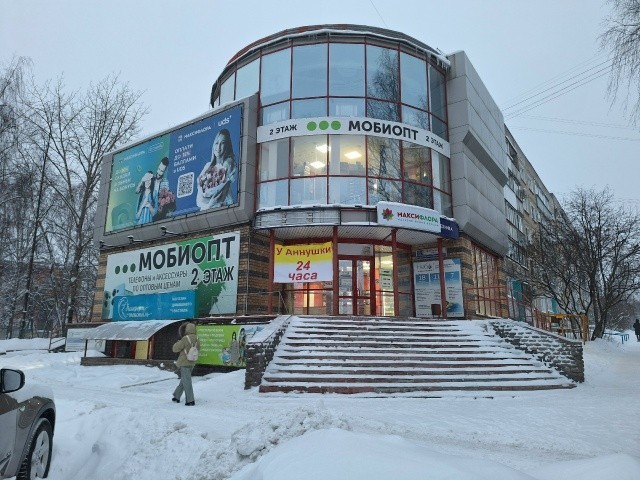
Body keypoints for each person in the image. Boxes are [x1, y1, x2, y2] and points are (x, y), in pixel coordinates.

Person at [196, 128, 238, 210]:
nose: (218, 147)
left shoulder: (228, 163)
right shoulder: (207, 166)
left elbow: (220, 198)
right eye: (217, 143)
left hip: (222, 209)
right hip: (206, 209)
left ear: (227, 146)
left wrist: (210, 203)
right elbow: (199, 200)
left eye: (222, 143)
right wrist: (209, 204)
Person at [172, 322, 199, 406]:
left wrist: (178, 343)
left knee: (187, 381)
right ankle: (177, 396)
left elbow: (175, 349)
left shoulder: (185, 338)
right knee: (185, 379)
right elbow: (198, 348)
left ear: (187, 329)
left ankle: (190, 400)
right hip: (192, 362)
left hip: (184, 362)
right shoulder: (197, 338)